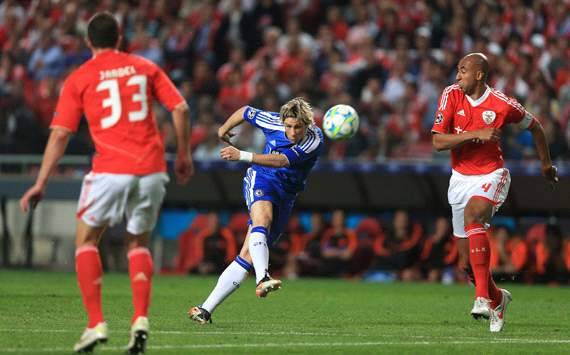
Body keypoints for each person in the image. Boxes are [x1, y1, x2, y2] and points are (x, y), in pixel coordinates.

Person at [18, 12, 193, 354]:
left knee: (85, 240)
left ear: (88, 42)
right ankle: (140, 319)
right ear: (120, 39)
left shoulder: (80, 77)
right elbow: (182, 109)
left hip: (111, 169)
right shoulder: (144, 67)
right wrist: (183, 154)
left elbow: (60, 135)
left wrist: (40, 182)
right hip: (153, 168)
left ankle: (96, 323)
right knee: (138, 242)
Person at [431, 53, 558, 332]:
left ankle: (481, 299)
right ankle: (498, 298)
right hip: (460, 178)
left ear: (478, 75)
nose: (457, 76)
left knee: (475, 214)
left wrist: (546, 164)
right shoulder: (450, 95)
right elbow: (438, 142)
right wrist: (475, 133)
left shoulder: (502, 104)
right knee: (465, 264)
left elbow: (535, 127)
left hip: (492, 174)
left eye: (462, 71)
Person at [188, 97, 323, 324]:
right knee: (263, 218)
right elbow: (245, 111)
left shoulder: (314, 139)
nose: (291, 132)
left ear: (307, 125)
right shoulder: (272, 121)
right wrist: (223, 129)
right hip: (262, 178)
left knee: (247, 256)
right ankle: (263, 277)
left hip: (286, 195)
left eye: (297, 127)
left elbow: (281, 161)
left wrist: (241, 154)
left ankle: (204, 309)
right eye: (288, 126)